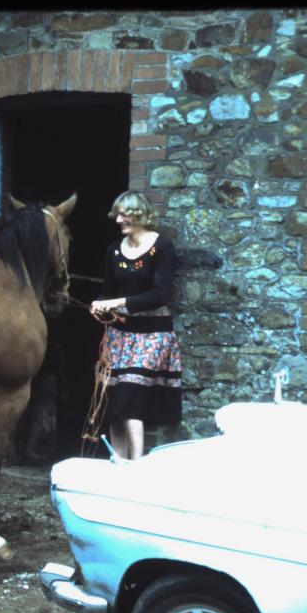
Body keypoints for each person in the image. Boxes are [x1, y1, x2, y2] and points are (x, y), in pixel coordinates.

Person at [90, 191, 182, 460]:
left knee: (130, 399)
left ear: (140, 214)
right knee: (114, 404)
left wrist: (115, 302)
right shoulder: (114, 250)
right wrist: (99, 303)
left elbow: (160, 294)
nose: (118, 219)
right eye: (116, 214)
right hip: (120, 334)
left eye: (124, 214)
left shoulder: (161, 247)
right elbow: (108, 289)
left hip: (153, 333)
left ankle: (136, 466)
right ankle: (117, 463)